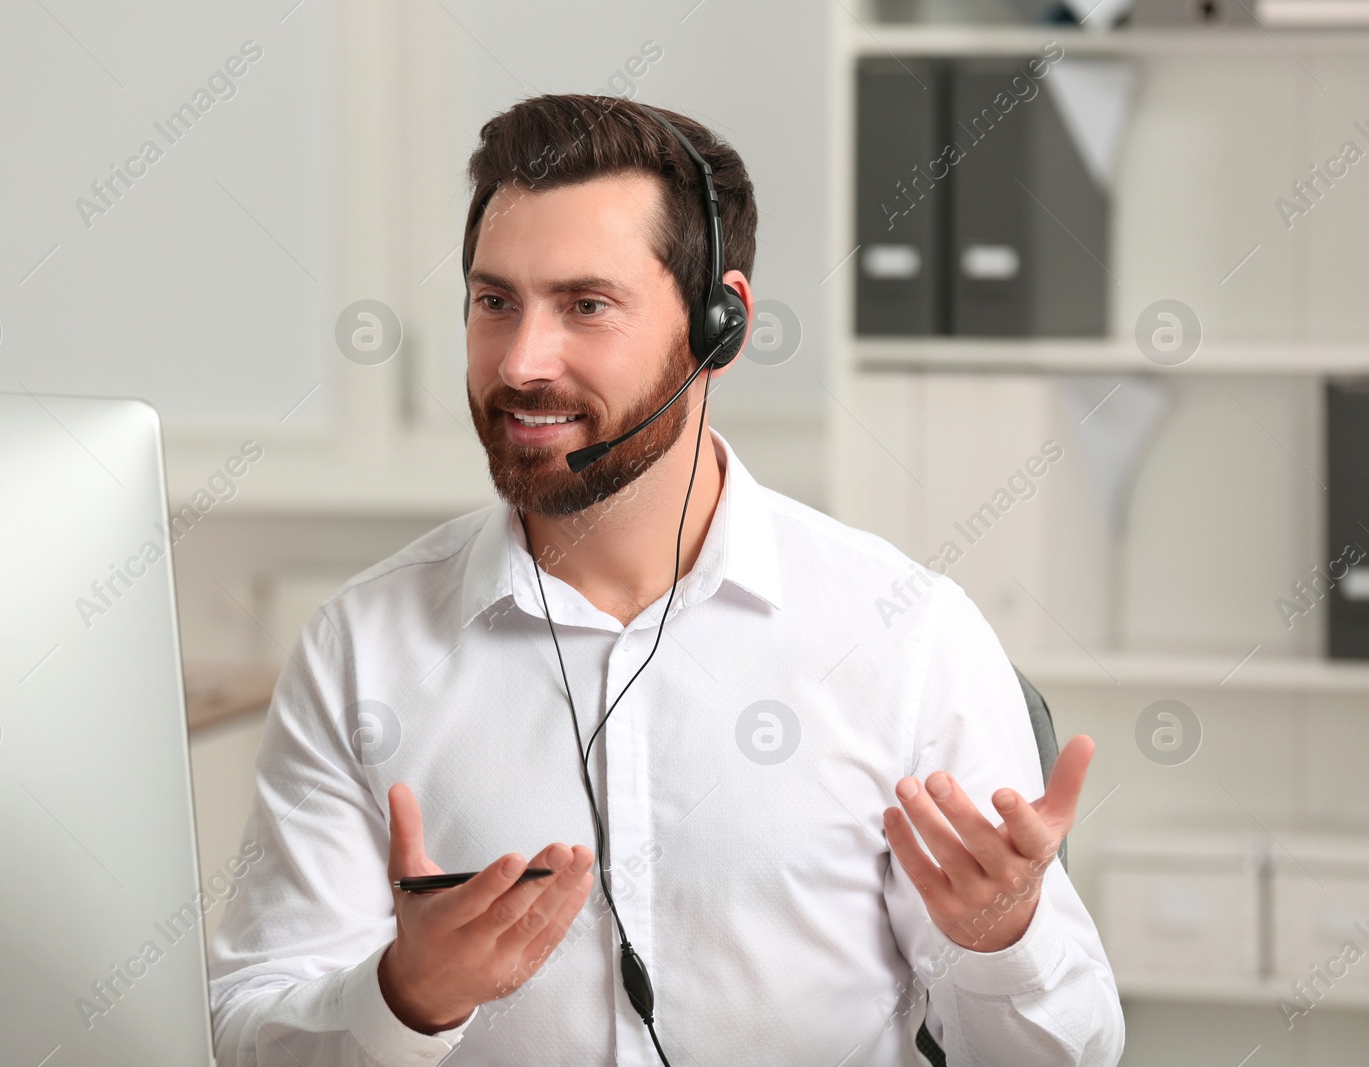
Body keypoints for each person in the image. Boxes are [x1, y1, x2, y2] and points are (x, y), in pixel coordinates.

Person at [207, 93, 1125, 1066]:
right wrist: (402, 998)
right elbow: (247, 1030)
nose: (521, 360)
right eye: (494, 301)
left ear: (718, 326)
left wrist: (999, 941)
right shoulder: (363, 646)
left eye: (585, 305)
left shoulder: (904, 634)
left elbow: (1063, 1056)